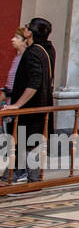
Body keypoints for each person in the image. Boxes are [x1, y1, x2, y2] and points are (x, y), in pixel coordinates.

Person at [1, 23, 50, 183]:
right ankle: (22, 175)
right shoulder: (41, 50)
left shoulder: (33, 53)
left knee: (24, 141)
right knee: (21, 141)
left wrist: (18, 104)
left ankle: (18, 176)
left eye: (17, 37)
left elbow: (35, 82)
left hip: (29, 106)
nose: (13, 39)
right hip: (26, 104)